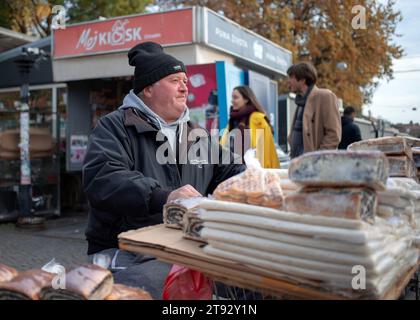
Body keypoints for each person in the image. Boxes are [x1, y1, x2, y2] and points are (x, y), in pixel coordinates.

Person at [82, 42, 245, 299]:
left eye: (185, 80)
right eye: (174, 80)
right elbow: (103, 179)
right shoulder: (114, 127)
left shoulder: (194, 134)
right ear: (148, 88)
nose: (184, 87)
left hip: (182, 246)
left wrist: (255, 179)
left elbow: (231, 169)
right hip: (127, 251)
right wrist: (164, 196)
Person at [287, 62, 341, 158]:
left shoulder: (325, 96)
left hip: (314, 167)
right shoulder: (301, 101)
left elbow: (333, 135)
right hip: (298, 163)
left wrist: (317, 159)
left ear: (303, 80)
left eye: (291, 77)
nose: (288, 81)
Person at [220, 86, 280, 168]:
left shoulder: (257, 119)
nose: (232, 101)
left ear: (246, 99)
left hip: (253, 168)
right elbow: (225, 143)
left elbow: (267, 150)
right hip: (234, 168)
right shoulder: (233, 120)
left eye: (236, 97)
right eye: (232, 98)